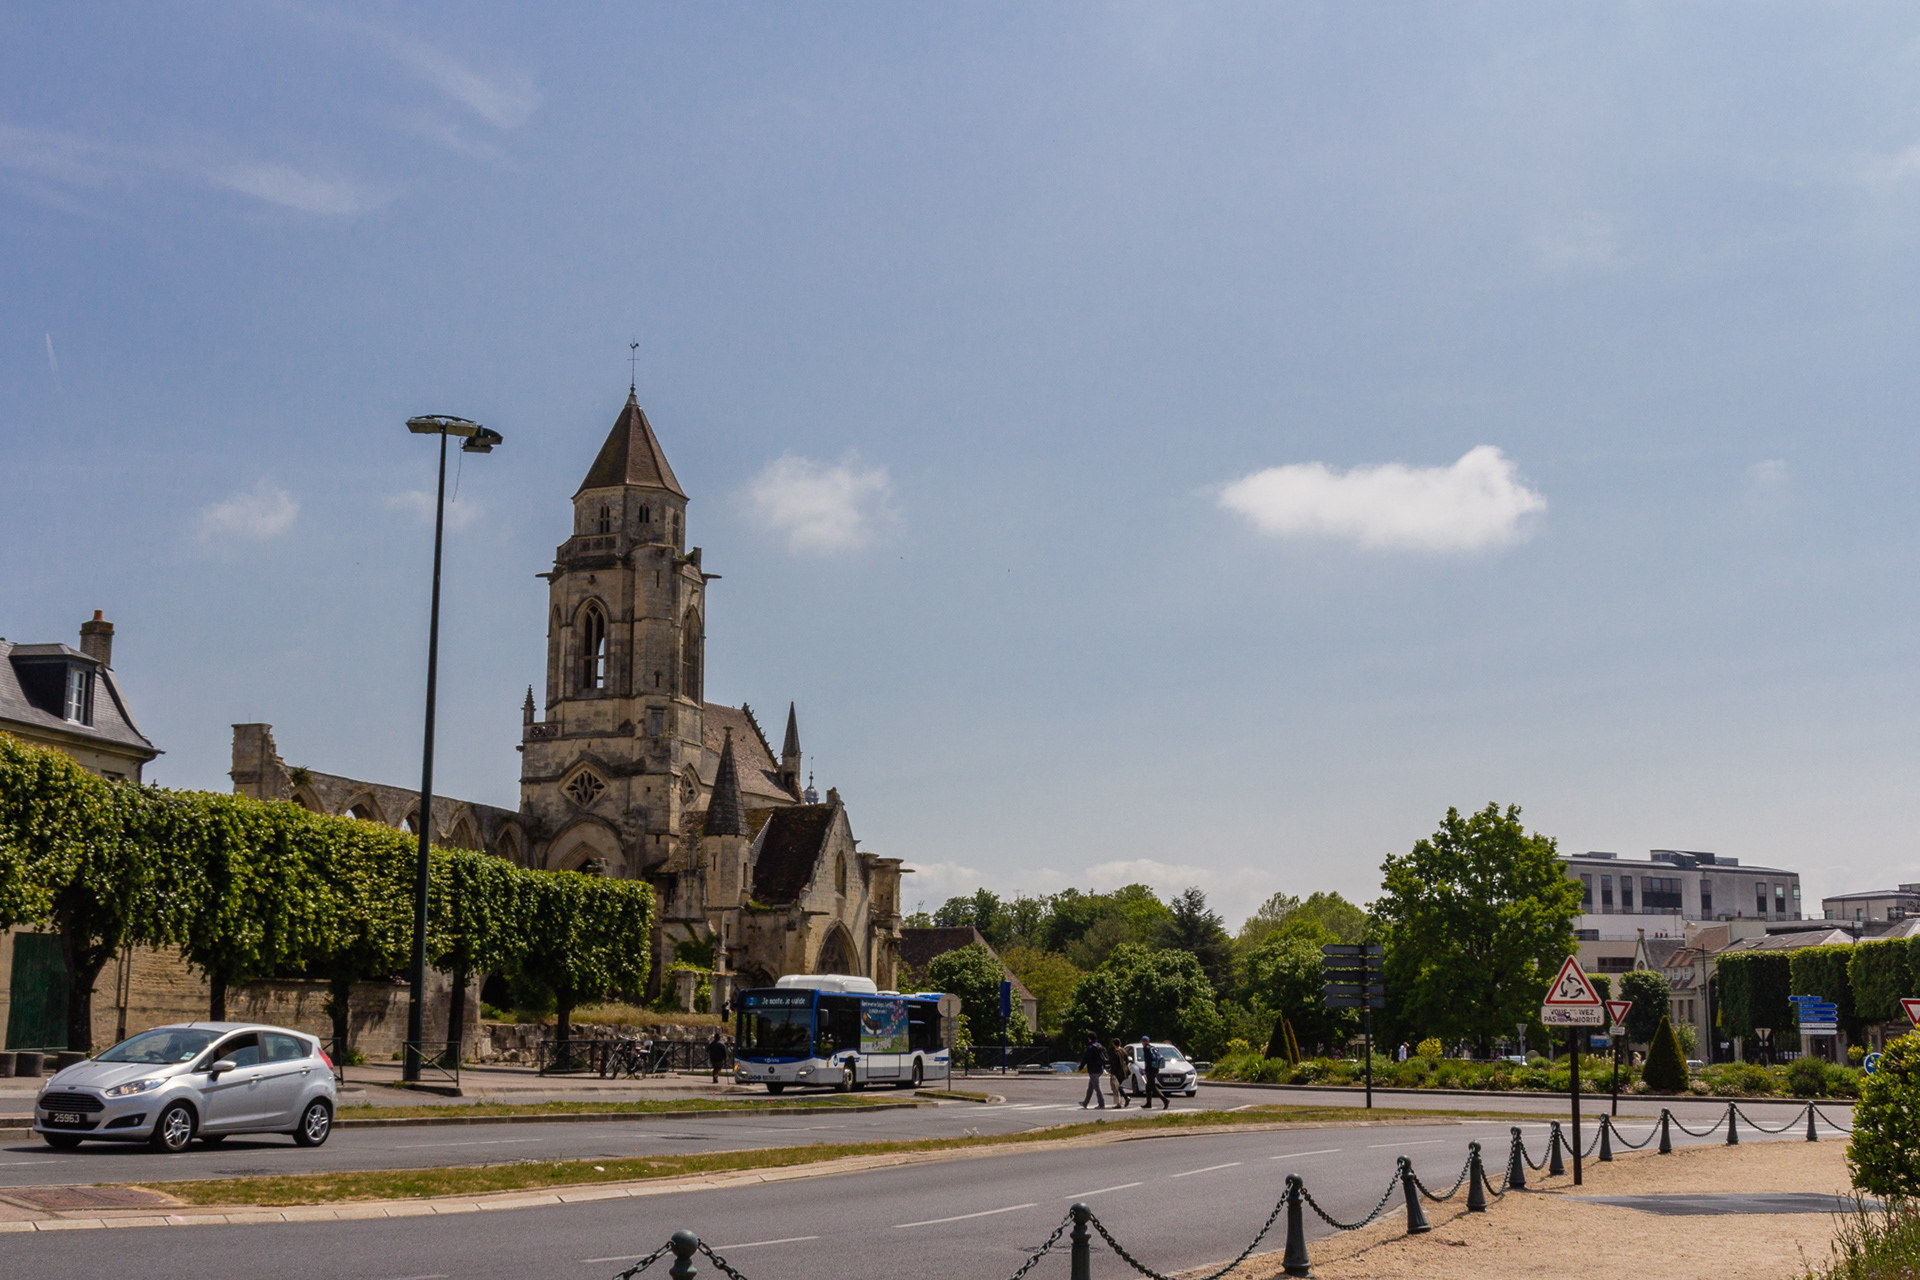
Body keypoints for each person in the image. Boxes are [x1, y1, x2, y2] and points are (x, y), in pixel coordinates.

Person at [1137, 1035, 1169, 1109]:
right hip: (1155, 1069)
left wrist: (1147, 1069)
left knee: (1152, 1086)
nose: (1142, 1043)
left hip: (1150, 1069)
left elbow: (1148, 1060)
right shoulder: (1153, 1048)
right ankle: (1148, 1103)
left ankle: (1165, 1100)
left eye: (1142, 1041)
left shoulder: (1146, 1049)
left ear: (1145, 1042)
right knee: (1148, 1086)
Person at [1079, 1034, 1108, 1109]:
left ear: (1089, 1039)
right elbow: (1105, 1057)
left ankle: (1101, 1104)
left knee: (1097, 1087)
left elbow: (1085, 1058)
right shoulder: (1100, 1046)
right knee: (1090, 1087)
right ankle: (1085, 1103)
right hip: (1100, 1069)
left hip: (1093, 1069)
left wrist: (1080, 1067)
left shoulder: (1091, 1048)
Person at [1108, 1038, 1131, 1106]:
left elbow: (1114, 1064)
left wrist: (1112, 1073)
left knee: (1116, 1087)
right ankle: (1124, 1098)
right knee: (1119, 1086)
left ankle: (1122, 1100)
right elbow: (1127, 1060)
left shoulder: (1115, 1052)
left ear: (1113, 1044)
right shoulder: (1123, 1051)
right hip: (1124, 1071)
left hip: (1117, 1072)